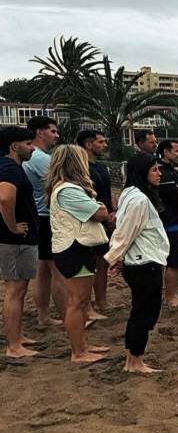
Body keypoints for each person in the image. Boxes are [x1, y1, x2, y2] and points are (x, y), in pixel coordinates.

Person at [105, 153, 170, 374]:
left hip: (142, 260)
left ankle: (132, 359)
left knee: (143, 311)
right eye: (154, 170)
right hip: (143, 263)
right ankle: (134, 362)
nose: (159, 174)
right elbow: (125, 232)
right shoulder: (138, 199)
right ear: (142, 173)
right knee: (144, 313)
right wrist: (114, 258)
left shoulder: (132, 194)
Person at [46, 145, 111, 363]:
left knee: (81, 301)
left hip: (76, 248)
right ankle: (78, 351)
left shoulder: (66, 189)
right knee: (77, 301)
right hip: (74, 249)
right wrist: (98, 205)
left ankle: (83, 345)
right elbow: (99, 213)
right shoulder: (68, 190)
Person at [0, 126, 40, 358]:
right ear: (14, 146)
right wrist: (12, 226)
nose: (32, 148)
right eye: (28, 144)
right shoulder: (10, 168)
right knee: (14, 290)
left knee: (20, 289)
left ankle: (18, 336)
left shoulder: (11, 167)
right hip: (14, 240)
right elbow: (5, 198)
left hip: (19, 239)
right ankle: (13, 346)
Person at [22, 115, 65, 326]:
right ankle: (68, 316)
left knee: (43, 271)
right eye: (53, 131)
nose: (56, 135)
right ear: (40, 132)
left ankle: (43, 315)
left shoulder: (31, 156)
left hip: (36, 217)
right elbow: (63, 184)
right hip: (46, 217)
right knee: (57, 269)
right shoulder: (41, 158)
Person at [77, 129, 116, 315]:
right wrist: (103, 215)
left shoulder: (100, 166)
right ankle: (87, 306)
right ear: (88, 144)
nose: (105, 145)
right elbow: (84, 197)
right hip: (90, 220)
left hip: (106, 219)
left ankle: (102, 301)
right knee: (87, 265)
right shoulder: (81, 168)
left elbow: (109, 190)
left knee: (103, 262)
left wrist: (114, 211)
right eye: (100, 142)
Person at [157, 140, 178, 307]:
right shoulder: (162, 172)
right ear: (166, 152)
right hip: (170, 221)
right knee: (174, 262)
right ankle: (170, 296)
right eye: (176, 151)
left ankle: (172, 292)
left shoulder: (172, 170)